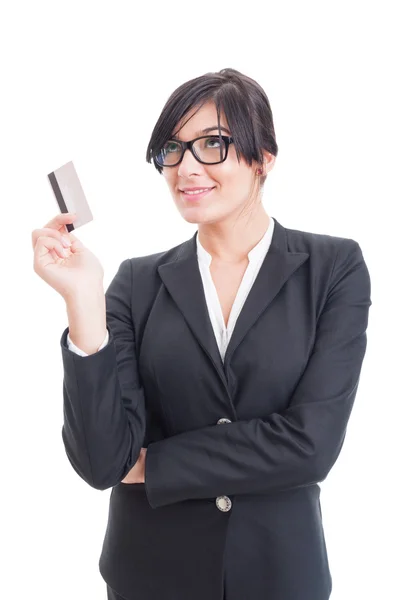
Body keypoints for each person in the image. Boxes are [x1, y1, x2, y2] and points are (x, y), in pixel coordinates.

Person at [32, 68, 372, 600]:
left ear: (263, 159)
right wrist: (83, 301)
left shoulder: (333, 267)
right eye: (172, 149)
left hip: (280, 574)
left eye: (212, 144)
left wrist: (155, 465)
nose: (186, 167)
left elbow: (312, 444)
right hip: (149, 576)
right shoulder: (135, 282)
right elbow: (103, 463)